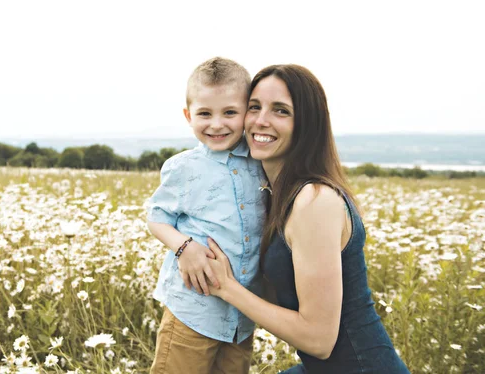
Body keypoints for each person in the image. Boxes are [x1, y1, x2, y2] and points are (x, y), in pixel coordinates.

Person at [206, 64, 410, 373]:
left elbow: (319, 339)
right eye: (255, 107)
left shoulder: (314, 201)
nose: (261, 121)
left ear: (307, 124)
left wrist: (226, 287)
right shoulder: (278, 196)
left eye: (281, 111)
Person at [146, 57, 267, 374]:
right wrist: (184, 247)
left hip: (241, 313)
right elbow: (157, 219)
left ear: (248, 112)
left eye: (230, 112)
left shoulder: (262, 162)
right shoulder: (183, 168)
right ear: (188, 116)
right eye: (204, 113)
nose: (217, 124)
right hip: (192, 309)